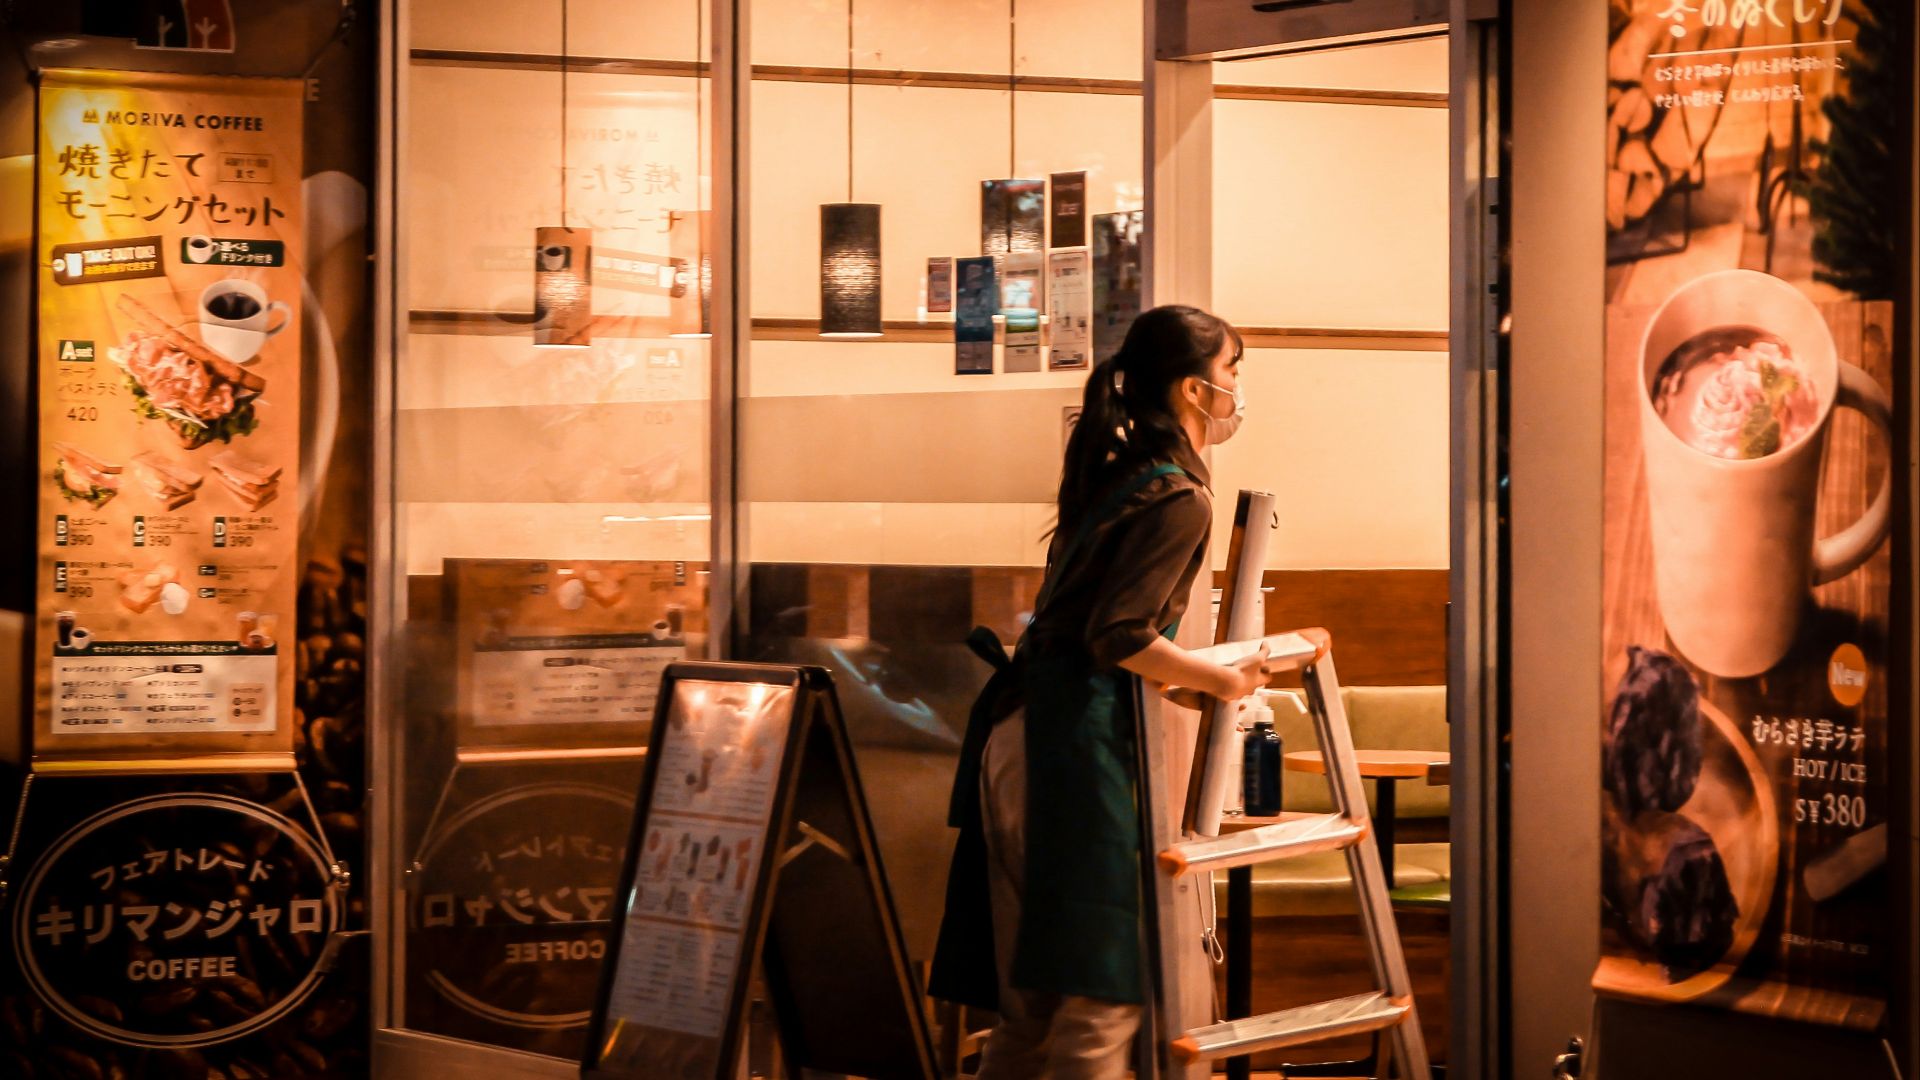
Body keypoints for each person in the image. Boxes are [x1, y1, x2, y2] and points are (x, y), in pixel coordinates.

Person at [930, 305, 1270, 1078]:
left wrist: (1183, 685)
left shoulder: (1120, 476)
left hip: (1019, 737)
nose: (1239, 394)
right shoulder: (1182, 495)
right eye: (1234, 375)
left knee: (1035, 1007)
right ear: (1194, 390)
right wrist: (1220, 678)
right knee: (1101, 998)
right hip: (1073, 757)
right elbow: (1118, 635)